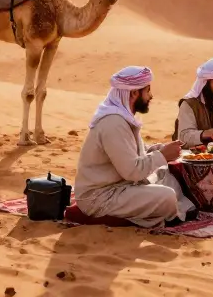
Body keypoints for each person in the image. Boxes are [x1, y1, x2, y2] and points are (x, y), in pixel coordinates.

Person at [74, 66, 196, 227]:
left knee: (166, 175)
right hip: (100, 196)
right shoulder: (113, 124)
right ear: (134, 93)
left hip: (121, 186)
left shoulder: (123, 117)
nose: (151, 96)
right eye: (148, 91)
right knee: (166, 196)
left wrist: (161, 149)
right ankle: (172, 212)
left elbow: (137, 152)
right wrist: (163, 156)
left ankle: (173, 209)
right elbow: (132, 172)